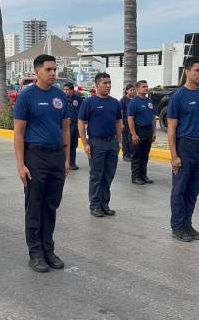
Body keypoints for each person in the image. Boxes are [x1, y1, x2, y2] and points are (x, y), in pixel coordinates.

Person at [13, 54, 70, 273]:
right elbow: (18, 133)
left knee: (51, 204)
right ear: (37, 71)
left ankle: (48, 249)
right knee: (35, 205)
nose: (53, 73)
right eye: (49, 69)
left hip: (56, 156)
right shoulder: (27, 96)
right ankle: (35, 252)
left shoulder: (59, 96)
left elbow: (65, 128)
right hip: (35, 156)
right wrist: (20, 164)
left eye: (55, 69)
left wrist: (65, 159)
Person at [167, 58, 199, 242]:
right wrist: (174, 155)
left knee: (193, 190)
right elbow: (171, 128)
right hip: (184, 146)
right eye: (197, 70)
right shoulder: (178, 96)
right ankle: (177, 227)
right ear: (187, 71)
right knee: (180, 190)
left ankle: (188, 224)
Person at [78, 73, 121, 218]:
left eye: (109, 82)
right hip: (96, 143)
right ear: (97, 85)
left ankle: (105, 204)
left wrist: (118, 142)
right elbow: (81, 122)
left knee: (108, 175)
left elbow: (118, 122)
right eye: (105, 83)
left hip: (111, 143)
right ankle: (95, 205)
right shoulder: (89, 103)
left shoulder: (115, 103)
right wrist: (85, 143)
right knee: (97, 175)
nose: (108, 85)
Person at [126, 80, 155, 184]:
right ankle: (135, 177)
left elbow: (152, 118)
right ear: (138, 89)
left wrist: (153, 133)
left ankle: (143, 175)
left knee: (145, 155)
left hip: (148, 131)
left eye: (147, 86)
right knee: (137, 155)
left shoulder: (149, 102)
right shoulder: (133, 102)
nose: (146, 88)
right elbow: (130, 119)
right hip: (138, 130)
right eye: (143, 87)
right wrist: (134, 134)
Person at [63, 82, 84, 170]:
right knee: (65, 144)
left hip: (75, 125)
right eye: (64, 90)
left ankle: (72, 163)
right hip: (65, 125)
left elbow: (82, 111)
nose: (65, 91)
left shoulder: (78, 99)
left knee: (73, 144)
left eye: (67, 90)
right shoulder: (62, 99)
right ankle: (64, 162)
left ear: (72, 90)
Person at [120, 84, 135, 161]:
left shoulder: (134, 99)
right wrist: (121, 123)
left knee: (131, 138)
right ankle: (126, 154)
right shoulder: (123, 100)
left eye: (133, 90)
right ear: (126, 91)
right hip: (125, 121)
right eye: (131, 90)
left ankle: (132, 153)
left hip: (132, 121)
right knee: (126, 138)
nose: (132, 91)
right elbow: (121, 112)